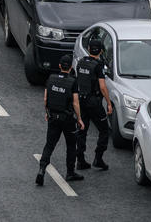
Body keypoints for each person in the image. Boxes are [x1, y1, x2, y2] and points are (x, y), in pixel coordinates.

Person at [36, 54, 85, 186]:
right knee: (71, 146)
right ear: (70, 68)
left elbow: (45, 98)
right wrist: (79, 119)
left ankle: (41, 169)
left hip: (53, 117)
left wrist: (47, 112)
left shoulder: (51, 78)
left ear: (59, 66)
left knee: (49, 145)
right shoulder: (73, 82)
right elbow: (75, 103)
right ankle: (70, 173)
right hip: (68, 119)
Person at [75, 40, 112, 172]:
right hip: (94, 102)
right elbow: (102, 87)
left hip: (81, 100)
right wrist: (108, 103)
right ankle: (98, 158)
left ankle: (80, 160)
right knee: (104, 130)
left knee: (82, 130)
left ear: (89, 48)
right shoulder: (98, 65)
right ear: (101, 51)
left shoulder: (80, 62)